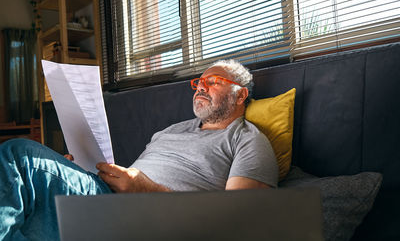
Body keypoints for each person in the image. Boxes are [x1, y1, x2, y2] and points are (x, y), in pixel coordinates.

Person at [0, 60, 278, 240]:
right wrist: (73, 171)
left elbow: (239, 222)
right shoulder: (172, 130)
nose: (200, 88)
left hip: (148, 219)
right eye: (198, 83)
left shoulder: (248, 141)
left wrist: (146, 191)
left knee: (20, 158)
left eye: (213, 82)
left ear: (240, 94)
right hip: (108, 197)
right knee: (27, 197)